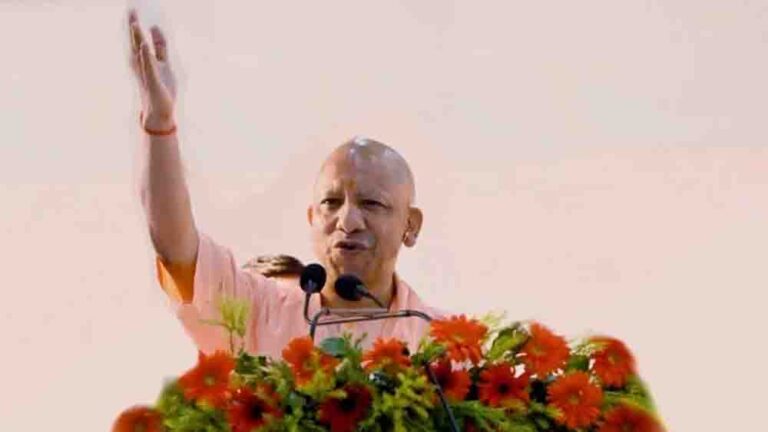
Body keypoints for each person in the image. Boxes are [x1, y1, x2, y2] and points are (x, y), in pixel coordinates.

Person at [127, 9, 441, 359]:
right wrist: (159, 126)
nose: (348, 221)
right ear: (311, 218)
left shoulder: (445, 345)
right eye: (331, 203)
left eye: (372, 203)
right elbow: (176, 248)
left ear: (411, 225)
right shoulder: (260, 313)